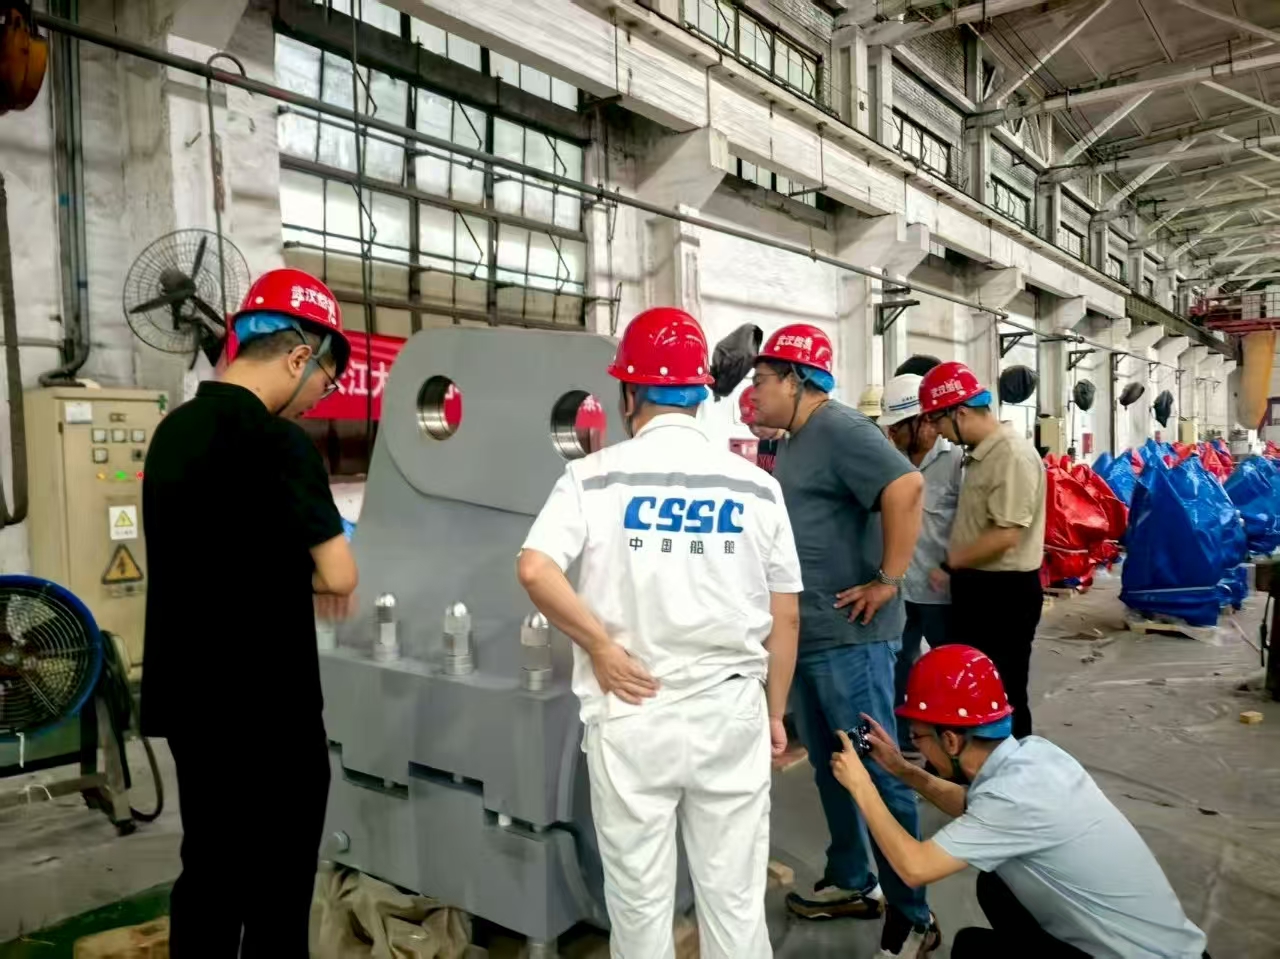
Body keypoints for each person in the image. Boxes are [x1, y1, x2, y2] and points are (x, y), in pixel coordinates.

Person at [517, 306, 802, 959]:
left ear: (628, 394)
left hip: (632, 712)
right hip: (729, 712)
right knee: (734, 902)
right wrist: (774, 712)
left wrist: (600, 646)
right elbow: (785, 614)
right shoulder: (757, 486)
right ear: (700, 395)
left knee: (640, 905)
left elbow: (534, 567)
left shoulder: (594, 477)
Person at [142, 267, 359, 957]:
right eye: (323, 382)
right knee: (277, 890)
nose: (316, 401)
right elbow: (340, 573)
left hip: (191, 703)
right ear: (298, 357)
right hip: (270, 710)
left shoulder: (172, 433)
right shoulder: (282, 445)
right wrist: (306, 569)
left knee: (208, 872)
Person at [830, 645, 1210, 959]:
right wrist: (902, 769)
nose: (917, 745)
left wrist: (862, 786)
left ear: (951, 740)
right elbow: (971, 805)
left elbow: (914, 867)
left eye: (918, 737)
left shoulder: (1011, 798)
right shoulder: (1033, 756)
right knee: (995, 886)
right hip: (1170, 947)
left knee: (973, 949)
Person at [751, 324, 938, 958]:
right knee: (835, 765)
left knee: (878, 769)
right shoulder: (795, 440)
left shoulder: (841, 429)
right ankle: (854, 878)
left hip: (850, 639)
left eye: (762, 380)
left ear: (795, 380)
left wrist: (888, 578)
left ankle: (913, 913)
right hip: (808, 635)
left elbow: (907, 487)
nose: (755, 391)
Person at [917, 361, 1046, 739]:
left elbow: (1006, 535)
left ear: (960, 413)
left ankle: (1015, 761)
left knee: (1004, 689)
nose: (936, 431)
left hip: (1004, 593)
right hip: (979, 587)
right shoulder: (980, 455)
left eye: (938, 421)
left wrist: (950, 564)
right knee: (976, 687)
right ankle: (974, 760)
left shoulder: (1011, 456)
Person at [877, 373, 963, 753]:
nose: (891, 434)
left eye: (897, 427)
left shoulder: (956, 461)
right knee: (899, 663)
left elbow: (969, 523)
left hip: (939, 591)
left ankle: (950, 741)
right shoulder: (888, 460)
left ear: (924, 421)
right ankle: (903, 738)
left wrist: (952, 569)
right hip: (898, 585)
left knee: (947, 667)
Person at [739, 385, 783, 473]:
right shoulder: (764, 441)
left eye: (759, 424)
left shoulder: (795, 444)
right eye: (750, 425)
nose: (755, 430)